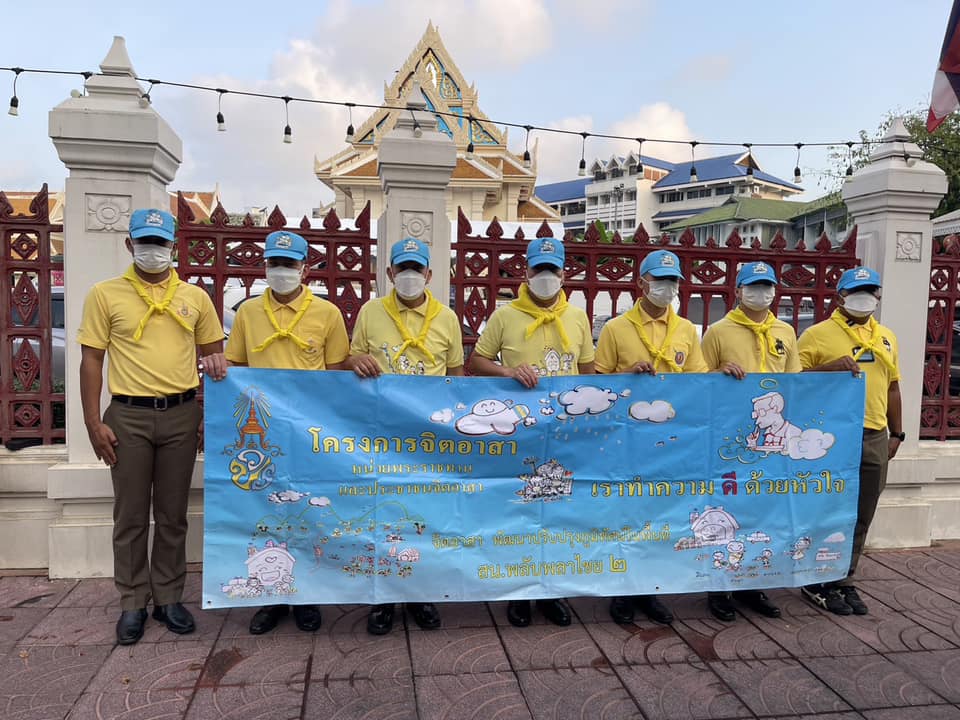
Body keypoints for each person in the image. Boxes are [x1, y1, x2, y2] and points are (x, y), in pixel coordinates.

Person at [78, 208, 226, 646]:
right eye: (144, 242)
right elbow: (91, 360)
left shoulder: (195, 297)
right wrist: (92, 422)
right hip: (128, 415)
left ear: (173, 246)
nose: (152, 250)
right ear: (130, 245)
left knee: (172, 514)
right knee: (129, 516)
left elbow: (215, 359)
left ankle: (168, 598)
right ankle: (132, 602)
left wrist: (210, 415)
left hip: (181, 413)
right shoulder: (105, 294)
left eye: (160, 242)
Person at [224, 230, 350, 634]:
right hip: (263, 433)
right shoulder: (248, 313)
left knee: (308, 511)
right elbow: (236, 369)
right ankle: (271, 595)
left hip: (309, 430)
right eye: (275, 263)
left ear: (305, 269)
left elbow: (335, 375)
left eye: (289, 264)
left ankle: (307, 595)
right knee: (265, 511)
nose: (281, 271)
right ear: (265, 266)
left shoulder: (327, 314)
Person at [468, 237, 595, 627]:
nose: (545, 276)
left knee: (560, 511)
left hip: (565, 432)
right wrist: (508, 371)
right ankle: (519, 591)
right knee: (518, 509)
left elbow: (588, 371)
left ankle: (551, 592)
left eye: (552, 270)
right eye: (539, 269)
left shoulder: (577, 317)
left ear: (563, 275)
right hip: (519, 432)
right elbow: (477, 361)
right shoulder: (505, 316)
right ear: (526, 273)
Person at [347, 237, 464, 634]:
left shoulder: (446, 318)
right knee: (382, 513)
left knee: (423, 516)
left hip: (427, 438)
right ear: (390, 273)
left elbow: (456, 378)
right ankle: (382, 598)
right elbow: (350, 357)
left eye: (417, 269)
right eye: (403, 268)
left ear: (429, 275)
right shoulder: (371, 311)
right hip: (381, 433)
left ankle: (420, 593)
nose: (410, 275)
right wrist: (356, 361)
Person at [595, 249, 707, 626]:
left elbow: (697, 382)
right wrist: (627, 374)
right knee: (624, 514)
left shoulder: (686, 330)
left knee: (659, 515)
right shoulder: (616, 328)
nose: (667, 287)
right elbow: (597, 382)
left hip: (668, 441)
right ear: (640, 282)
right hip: (626, 440)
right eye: (659, 279)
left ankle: (650, 589)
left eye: (672, 280)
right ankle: (621, 590)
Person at [797, 266, 901, 616]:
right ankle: (815, 579)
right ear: (839, 296)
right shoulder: (817, 335)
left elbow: (893, 386)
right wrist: (828, 369)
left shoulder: (886, 337)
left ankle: (844, 577)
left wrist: (897, 432)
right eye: (857, 291)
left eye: (870, 291)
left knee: (862, 513)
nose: (864, 297)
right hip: (833, 437)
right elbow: (794, 381)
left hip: (875, 434)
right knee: (826, 511)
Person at [699, 260, 798, 622]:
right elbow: (697, 382)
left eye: (767, 286)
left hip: (770, 444)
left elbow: (795, 382)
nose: (761, 293)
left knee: (762, 510)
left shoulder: (786, 332)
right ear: (738, 291)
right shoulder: (718, 332)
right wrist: (718, 373)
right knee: (726, 509)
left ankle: (752, 583)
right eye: (753, 286)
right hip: (729, 439)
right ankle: (718, 586)